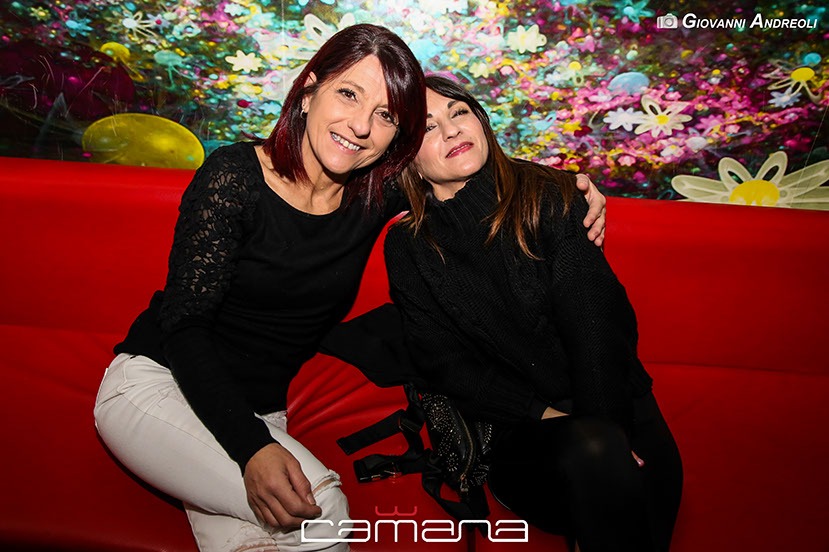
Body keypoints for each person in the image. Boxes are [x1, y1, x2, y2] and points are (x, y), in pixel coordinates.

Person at [94, 23, 607, 551]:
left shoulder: (372, 193)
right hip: (161, 386)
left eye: (385, 116)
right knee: (322, 513)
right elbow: (185, 325)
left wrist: (565, 186)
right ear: (308, 90)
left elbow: (460, 163)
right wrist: (252, 448)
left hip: (261, 411)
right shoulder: (235, 177)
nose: (361, 126)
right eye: (348, 94)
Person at [384, 76, 683, 552]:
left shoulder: (552, 195)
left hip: (615, 404)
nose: (451, 130)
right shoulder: (408, 245)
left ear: (480, 120)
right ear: (408, 160)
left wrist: (609, 432)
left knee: (616, 477)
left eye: (458, 112)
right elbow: (444, 363)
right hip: (525, 431)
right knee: (594, 453)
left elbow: (598, 329)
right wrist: (544, 415)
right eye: (428, 128)